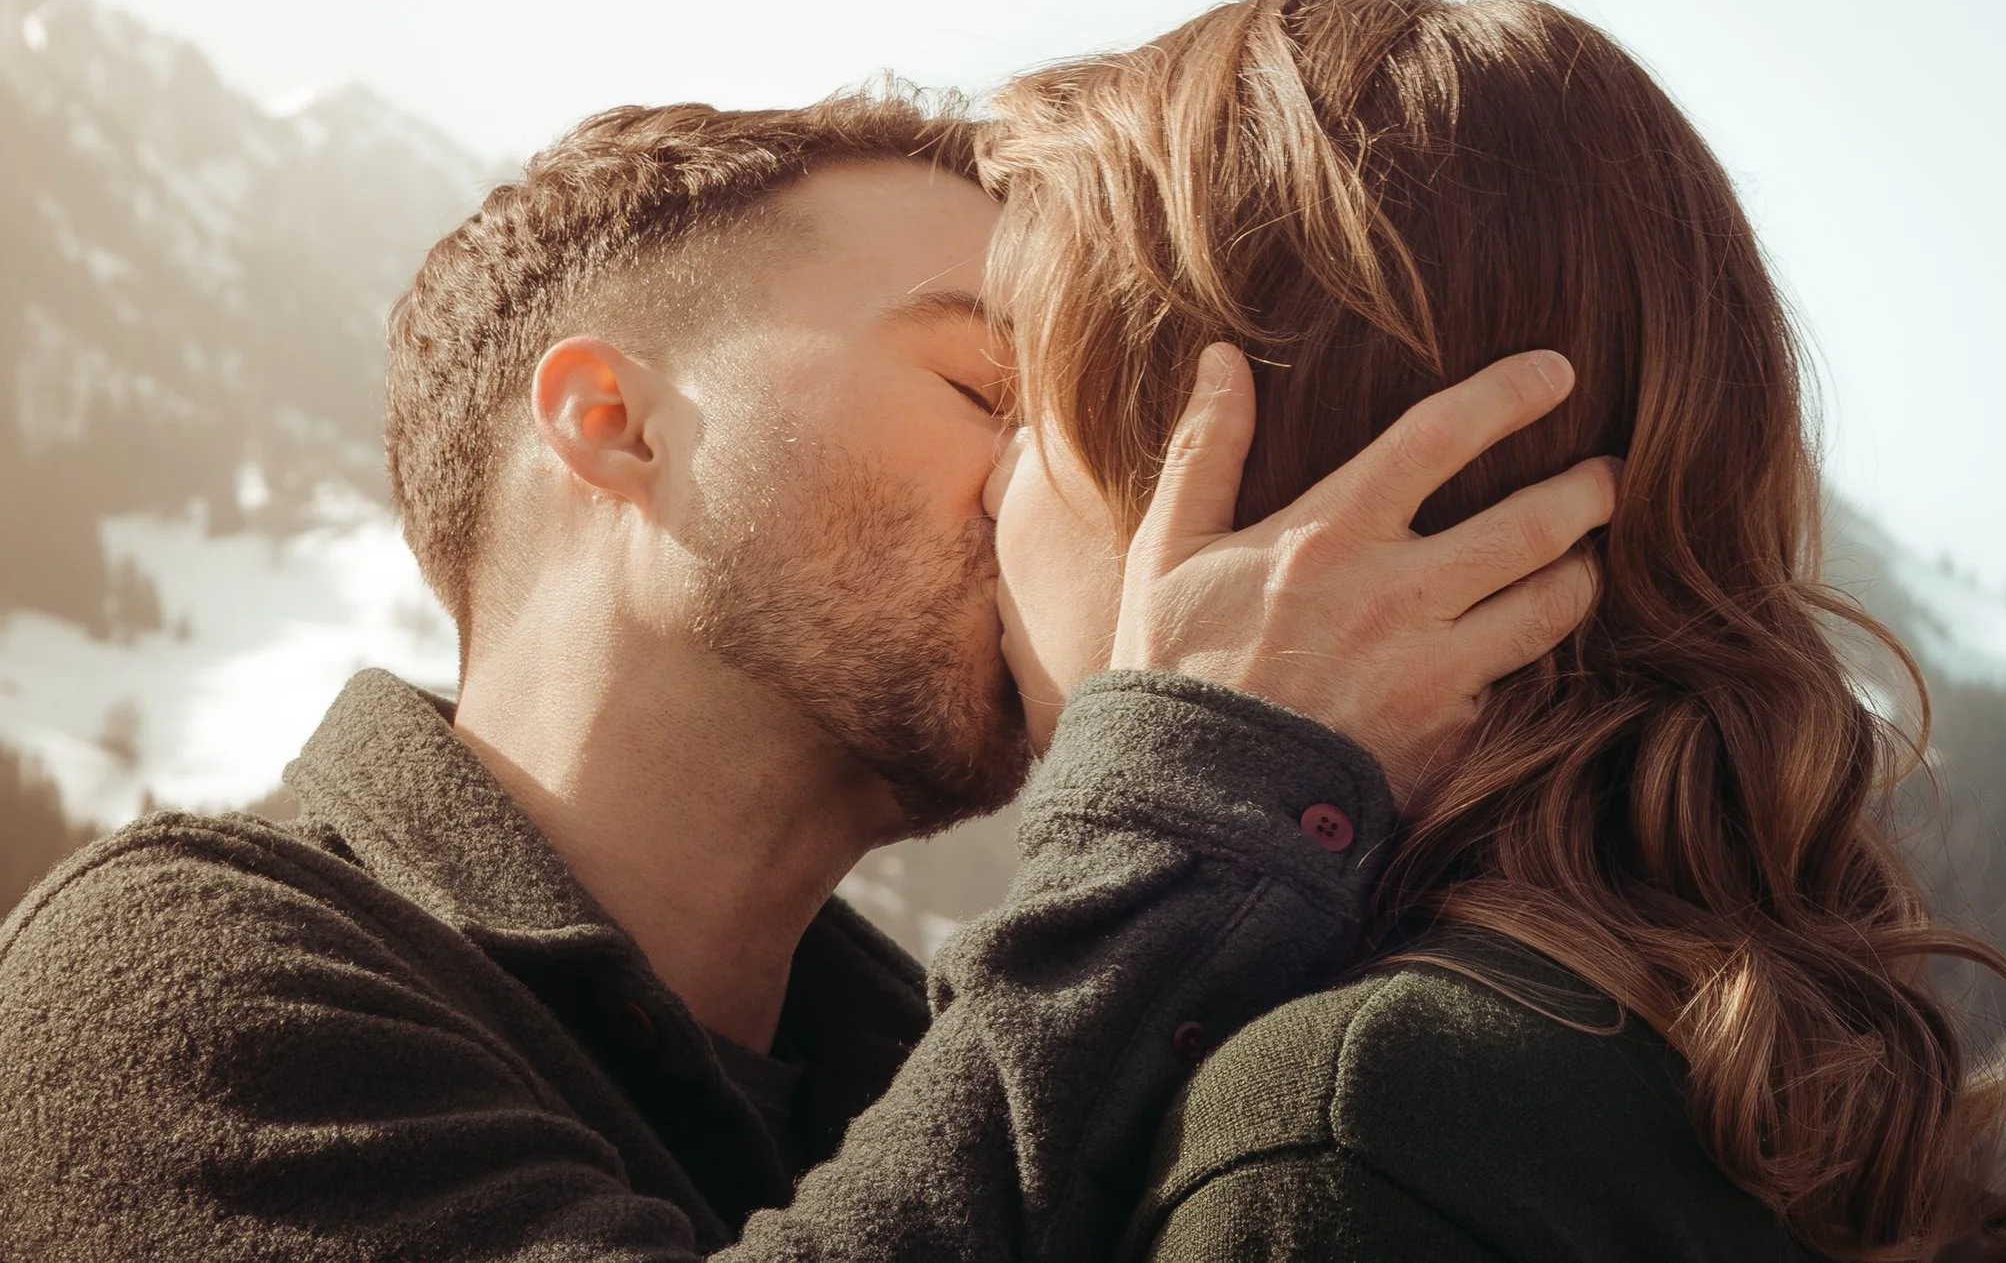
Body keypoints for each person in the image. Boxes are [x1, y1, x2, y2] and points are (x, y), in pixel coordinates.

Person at [0, 93, 1615, 1261]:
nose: (1047, 491)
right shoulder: (180, 977)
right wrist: (1210, 795)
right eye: (989, 384)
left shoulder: (930, 1070)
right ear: (618, 423)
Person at [980, 0, 2006, 1262]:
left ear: (1265, 496)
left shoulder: (1349, 1131)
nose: (990, 484)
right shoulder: (1694, 1051)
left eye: (1016, 406)